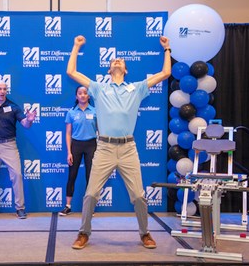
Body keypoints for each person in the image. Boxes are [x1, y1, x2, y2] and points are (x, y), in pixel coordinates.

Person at [66, 35, 171, 249]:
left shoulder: (137, 88)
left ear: (126, 70)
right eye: (113, 60)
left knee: (139, 197)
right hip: (104, 147)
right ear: (108, 70)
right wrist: (76, 46)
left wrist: (167, 49)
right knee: (91, 194)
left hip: (128, 148)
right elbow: (71, 72)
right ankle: (83, 233)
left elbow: (165, 73)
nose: (117, 61)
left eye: (121, 61)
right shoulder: (98, 88)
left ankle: (145, 233)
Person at [0, 80, 36, 219]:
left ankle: (20, 208)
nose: (2, 91)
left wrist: (29, 119)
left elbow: (25, 124)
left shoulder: (13, 107)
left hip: (9, 145)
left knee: (17, 175)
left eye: (4, 89)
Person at [59, 86, 98, 216]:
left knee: (90, 177)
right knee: (72, 175)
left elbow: (101, 131)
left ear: (88, 96)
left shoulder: (95, 111)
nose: (82, 95)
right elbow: (68, 134)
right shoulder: (71, 112)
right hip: (76, 145)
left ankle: (89, 208)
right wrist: (69, 152)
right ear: (76, 96)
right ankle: (68, 206)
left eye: (85, 93)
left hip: (91, 145)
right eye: (80, 93)